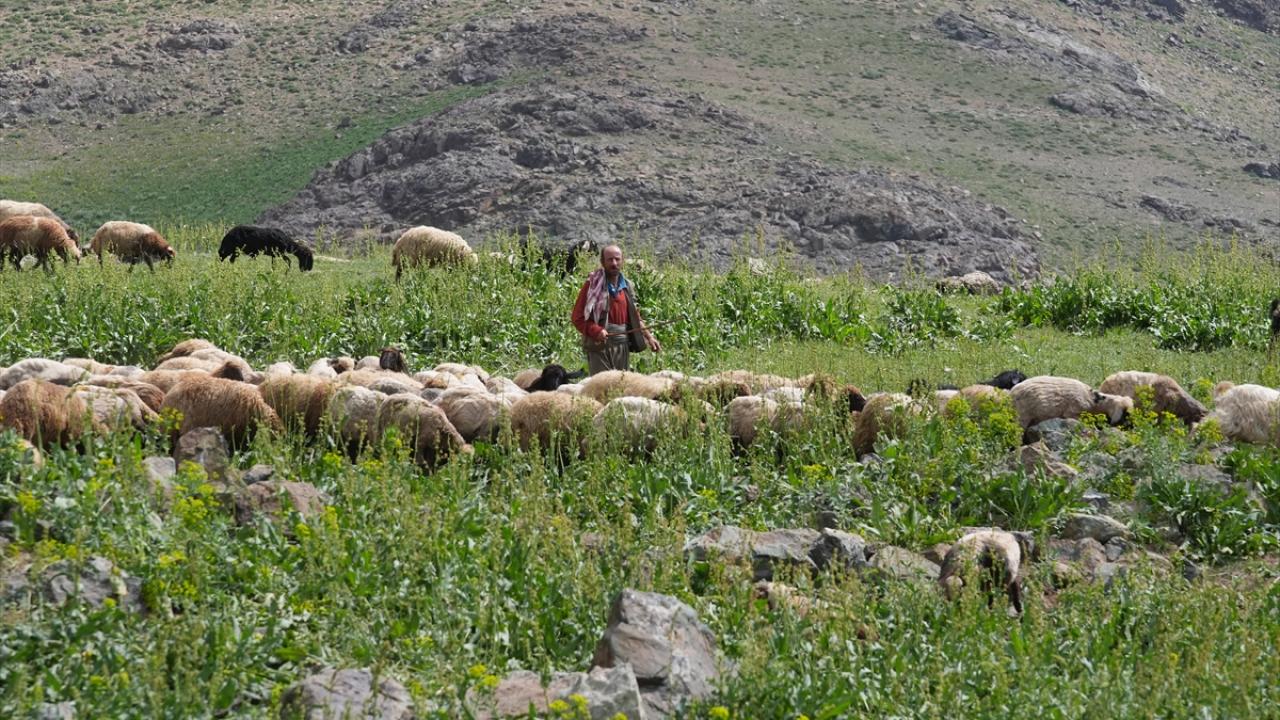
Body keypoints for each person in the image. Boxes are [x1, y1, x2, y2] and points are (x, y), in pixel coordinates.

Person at [571, 244, 661, 374]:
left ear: (622, 261)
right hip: (599, 347)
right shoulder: (593, 284)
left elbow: (635, 317)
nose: (614, 263)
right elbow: (577, 317)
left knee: (620, 387)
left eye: (617, 259)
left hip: (622, 346)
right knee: (602, 389)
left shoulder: (627, 287)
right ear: (602, 262)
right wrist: (596, 330)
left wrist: (650, 337)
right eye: (609, 259)